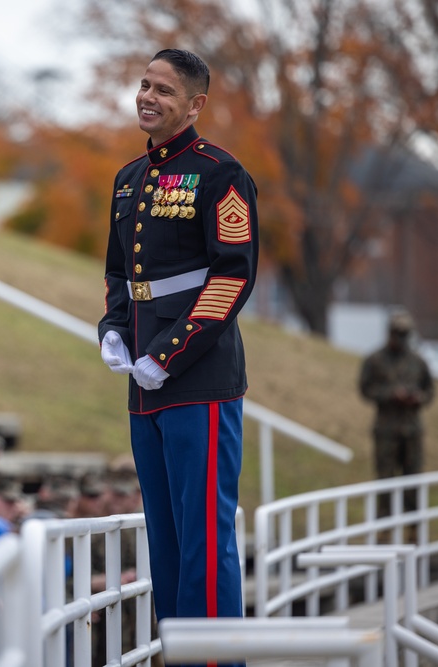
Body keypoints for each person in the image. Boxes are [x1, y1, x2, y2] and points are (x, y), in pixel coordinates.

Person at [97, 48, 258, 641]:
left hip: (198, 378)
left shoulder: (221, 173)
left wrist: (167, 354)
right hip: (144, 383)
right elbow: (121, 274)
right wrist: (113, 329)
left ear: (195, 105)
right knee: (162, 536)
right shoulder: (128, 180)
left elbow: (232, 274)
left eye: (163, 90)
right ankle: (176, 650)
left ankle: (214, 661)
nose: (148, 97)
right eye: (143, 85)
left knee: (203, 538)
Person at [358, 310, 435, 516]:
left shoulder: (418, 362)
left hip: (412, 430)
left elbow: (430, 391)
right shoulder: (375, 360)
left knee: (413, 479)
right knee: (385, 479)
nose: (400, 339)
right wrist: (391, 395)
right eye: (397, 333)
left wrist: (418, 398)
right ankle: (385, 525)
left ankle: (413, 526)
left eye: (404, 334)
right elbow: (365, 389)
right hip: (386, 430)